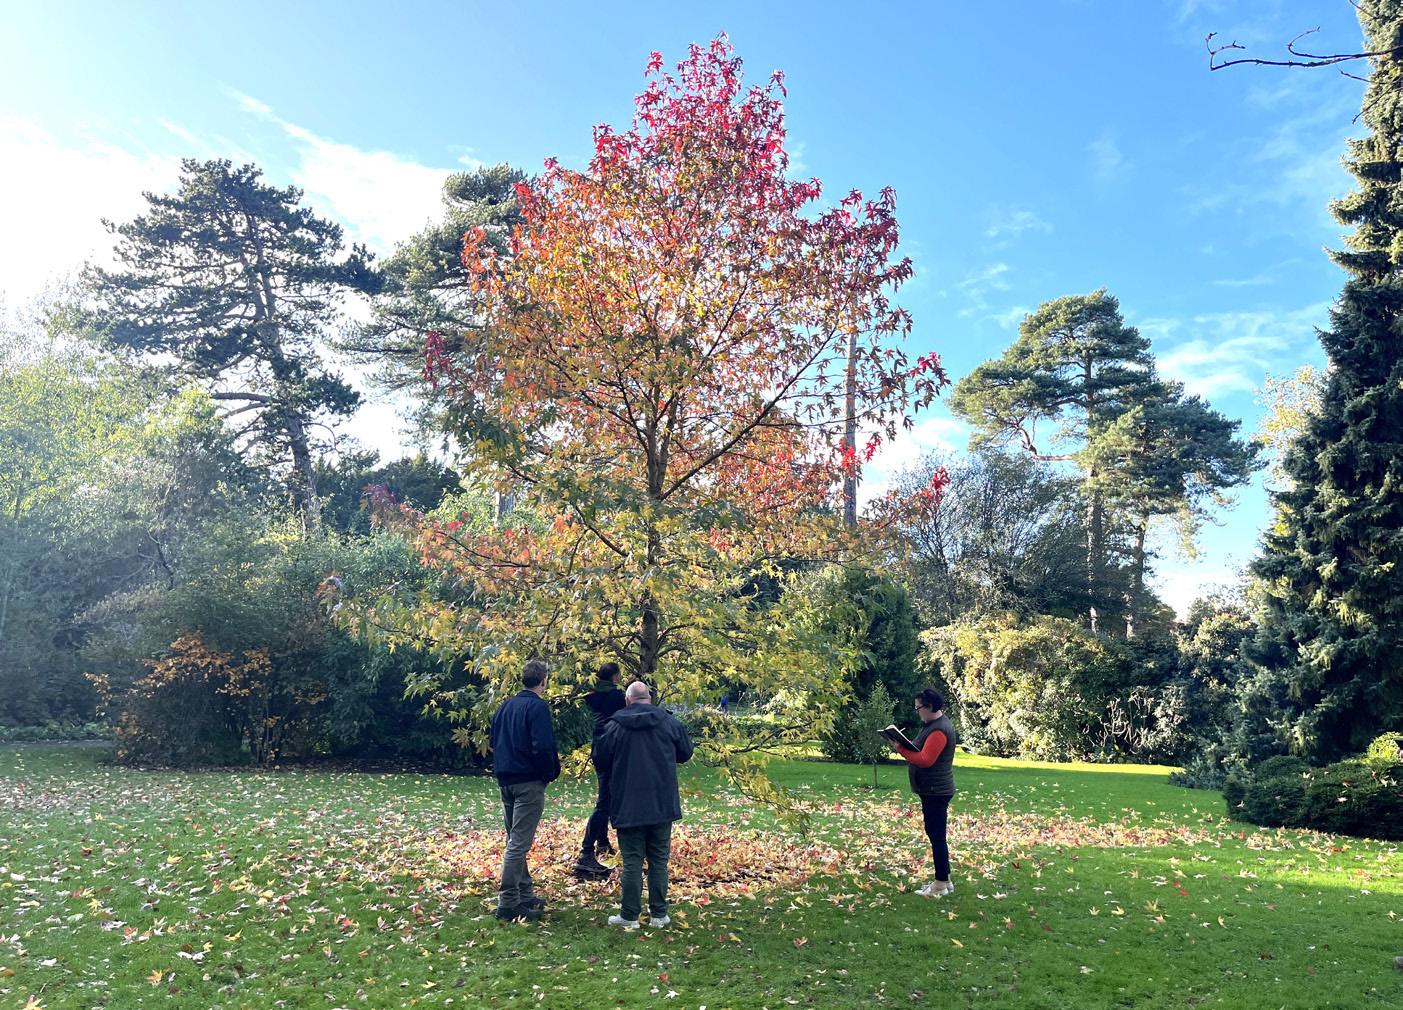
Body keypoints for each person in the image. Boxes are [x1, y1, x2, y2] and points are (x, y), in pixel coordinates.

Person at [595, 680, 694, 929]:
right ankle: (659, 914)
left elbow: (600, 759)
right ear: (649, 698)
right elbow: (685, 753)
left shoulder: (615, 726)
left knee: (632, 862)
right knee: (659, 861)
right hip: (661, 803)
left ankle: (629, 915)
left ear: (627, 701)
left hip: (627, 803)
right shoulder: (669, 722)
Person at [490, 659, 561, 922]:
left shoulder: (505, 707)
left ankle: (524, 893)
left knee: (514, 839)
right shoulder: (537, 707)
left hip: (506, 779)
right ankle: (508, 903)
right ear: (543, 681)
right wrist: (550, 772)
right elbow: (543, 746)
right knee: (518, 844)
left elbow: (493, 741)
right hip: (528, 781)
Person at [892, 687, 957, 898]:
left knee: (937, 836)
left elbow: (925, 760)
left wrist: (900, 749)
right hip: (932, 789)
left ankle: (940, 883)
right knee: (936, 834)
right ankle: (945, 879)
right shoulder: (931, 725)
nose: (917, 712)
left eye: (919, 708)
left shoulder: (939, 730)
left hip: (936, 790)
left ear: (929, 707)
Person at [575, 661, 626, 876]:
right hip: (613, 750)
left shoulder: (592, 695)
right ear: (614, 677)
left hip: (599, 749)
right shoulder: (615, 697)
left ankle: (603, 842)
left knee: (605, 795)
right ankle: (586, 852)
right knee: (605, 802)